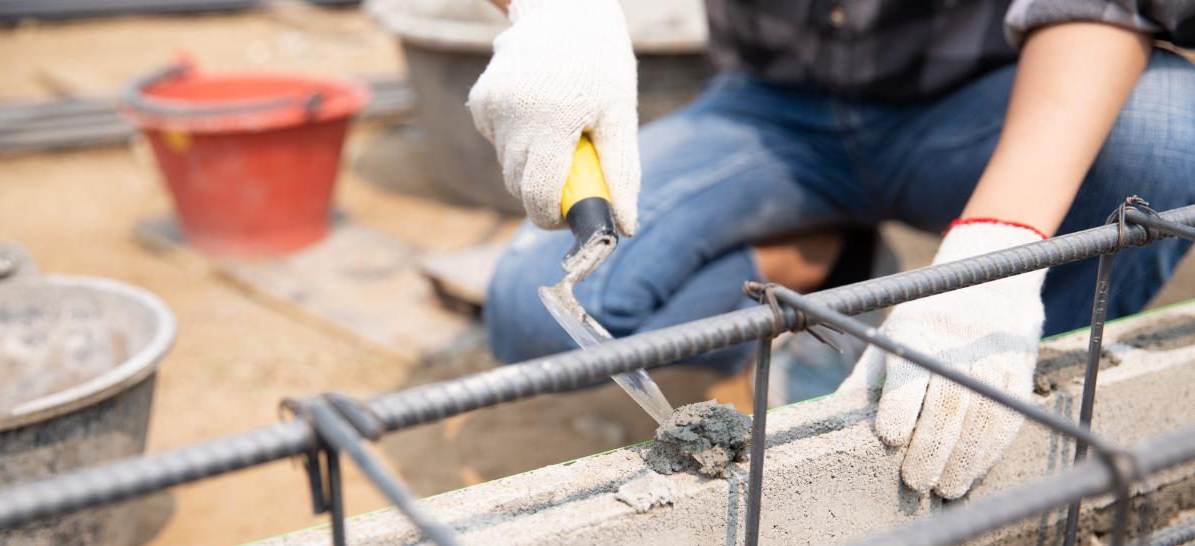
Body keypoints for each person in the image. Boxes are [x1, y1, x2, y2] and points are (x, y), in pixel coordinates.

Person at [466, 0, 1195, 499]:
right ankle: (820, 260)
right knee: (535, 317)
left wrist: (995, 252)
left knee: (1171, 133)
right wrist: (556, 11)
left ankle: (995, 410)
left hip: (980, 98)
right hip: (772, 111)